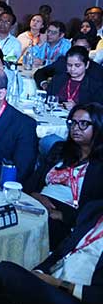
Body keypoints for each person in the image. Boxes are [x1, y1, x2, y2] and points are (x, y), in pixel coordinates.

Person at [25, 103, 103, 249]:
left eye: (83, 124)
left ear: (98, 126)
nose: (76, 128)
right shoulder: (60, 149)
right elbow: (31, 183)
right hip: (37, 204)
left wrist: (63, 216)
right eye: (72, 122)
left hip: (68, 217)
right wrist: (36, 196)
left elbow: (95, 211)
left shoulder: (99, 165)